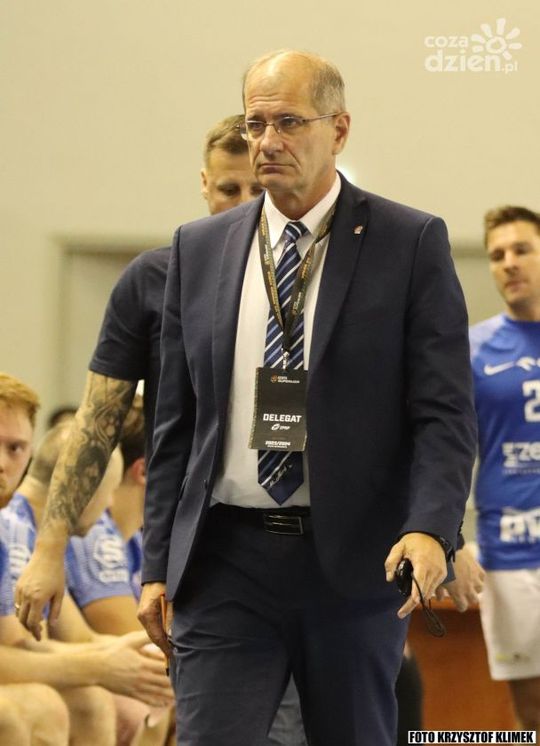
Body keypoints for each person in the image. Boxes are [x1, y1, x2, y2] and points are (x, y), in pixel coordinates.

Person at [136, 49, 477, 746]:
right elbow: (176, 423)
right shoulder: (199, 248)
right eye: (255, 123)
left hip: (352, 558)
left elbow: (443, 412)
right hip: (224, 561)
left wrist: (432, 526)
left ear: (339, 129)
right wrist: (156, 564)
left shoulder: (409, 241)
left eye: (289, 122)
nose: (267, 141)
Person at [16, 115, 306, 746]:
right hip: (198, 546)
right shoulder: (153, 280)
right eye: (227, 189)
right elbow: (96, 424)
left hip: (304, 540)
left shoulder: (308, 277)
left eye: (255, 188)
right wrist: (48, 550)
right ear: (204, 185)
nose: (243, 203)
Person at [470, 205, 540, 741]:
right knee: (531, 716)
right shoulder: (470, 349)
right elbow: (442, 450)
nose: (508, 263)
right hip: (509, 551)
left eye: (521, 250)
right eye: (497, 255)